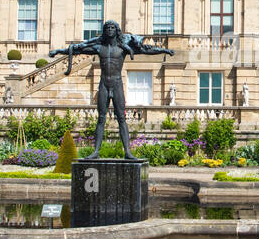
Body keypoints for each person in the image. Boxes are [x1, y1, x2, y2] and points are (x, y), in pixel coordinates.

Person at [50, 21, 173, 159]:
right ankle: (95, 152)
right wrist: (58, 52)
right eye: (107, 27)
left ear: (117, 31)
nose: (109, 30)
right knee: (101, 119)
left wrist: (164, 50)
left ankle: (127, 152)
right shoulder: (99, 48)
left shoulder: (123, 48)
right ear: (104, 30)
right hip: (103, 84)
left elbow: (146, 49)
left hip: (117, 84)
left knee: (121, 118)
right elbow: (78, 49)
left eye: (112, 28)